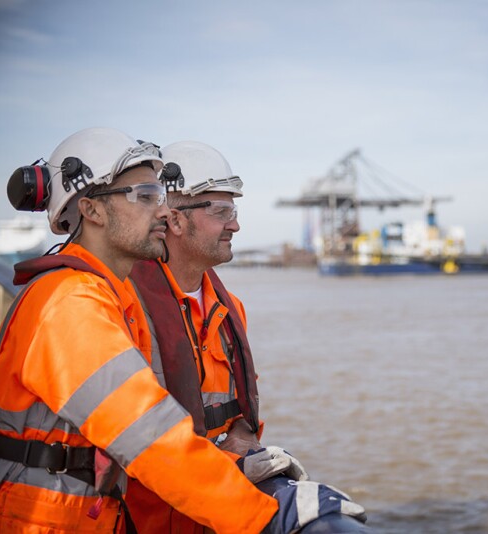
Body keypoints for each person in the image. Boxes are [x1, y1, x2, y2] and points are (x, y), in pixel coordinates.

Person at [0, 128, 285, 533]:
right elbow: (149, 437)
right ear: (92, 211)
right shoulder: (68, 303)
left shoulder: (112, 301)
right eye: (146, 197)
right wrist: (267, 516)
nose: (163, 212)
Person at [126, 141, 367, 533]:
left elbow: (237, 417)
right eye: (221, 212)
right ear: (173, 218)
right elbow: (133, 438)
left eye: (233, 211)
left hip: (213, 512)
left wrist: (245, 448)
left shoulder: (230, 309)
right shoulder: (125, 306)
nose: (235, 225)